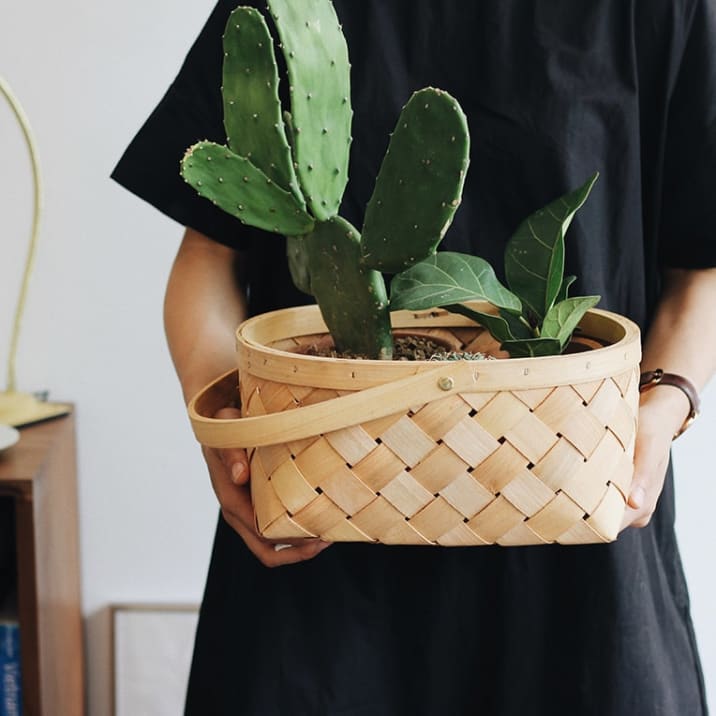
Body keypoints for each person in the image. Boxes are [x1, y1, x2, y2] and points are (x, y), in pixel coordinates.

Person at [112, 1, 716, 713]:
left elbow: (699, 267)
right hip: (319, 556)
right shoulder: (287, 3)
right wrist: (224, 424)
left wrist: (665, 403)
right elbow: (206, 263)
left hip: (578, 544)